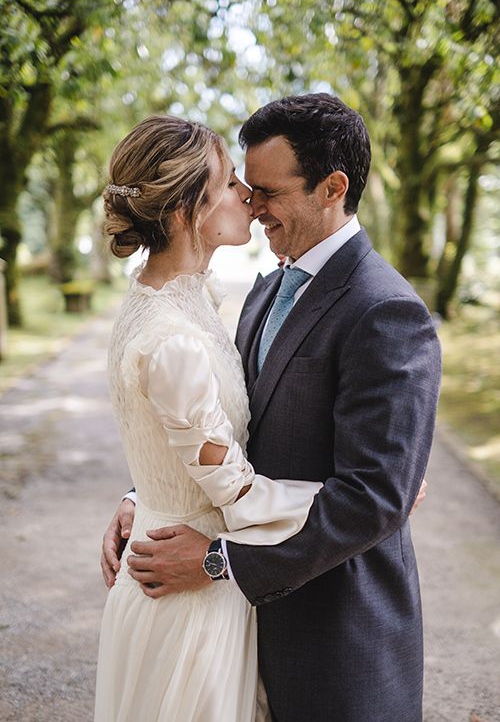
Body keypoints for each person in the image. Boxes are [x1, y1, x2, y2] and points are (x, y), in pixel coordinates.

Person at [101, 95, 440, 722]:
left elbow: (374, 500)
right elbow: (215, 426)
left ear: (332, 188)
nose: (252, 207)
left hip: (333, 635)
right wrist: (146, 495)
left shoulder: (386, 312)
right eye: (242, 188)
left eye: (267, 192)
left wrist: (215, 559)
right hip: (240, 622)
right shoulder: (258, 294)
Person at [94, 114, 337, 722]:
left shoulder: (165, 302)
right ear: (185, 212)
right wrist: (356, 497)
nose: (248, 198)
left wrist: (142, 497)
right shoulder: (172, 336)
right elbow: (234, 489)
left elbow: (174, 439)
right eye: (230, 183)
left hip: (170, 560)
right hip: (187, 604)